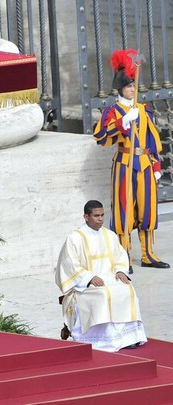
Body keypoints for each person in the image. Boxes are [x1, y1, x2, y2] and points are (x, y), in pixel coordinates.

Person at [93, 48, 169, 272]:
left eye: (133, 85)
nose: (132, 89)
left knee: (147, 209)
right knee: (124, 210)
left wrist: (156, 165)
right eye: (128, 86)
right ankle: (123, 256)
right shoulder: (113, 111)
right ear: (120, 88)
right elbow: (101, 137)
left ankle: (148, 254)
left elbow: (153, 142)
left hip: (144, 165)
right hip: (125, 164)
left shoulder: (144, 111)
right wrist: (123, 122)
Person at [55, 200, 147, 352]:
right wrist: (89, 277)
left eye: (102, 215)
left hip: (110, 278)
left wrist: (120, 271)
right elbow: (69, 265)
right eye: (96, 216)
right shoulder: (75, 238)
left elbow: (120, 256)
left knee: (127, 290)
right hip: (85, 284)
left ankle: (127, 338)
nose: (100, 219)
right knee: (105, 294)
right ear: (86, 216)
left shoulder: (109, 235)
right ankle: (106, 339)